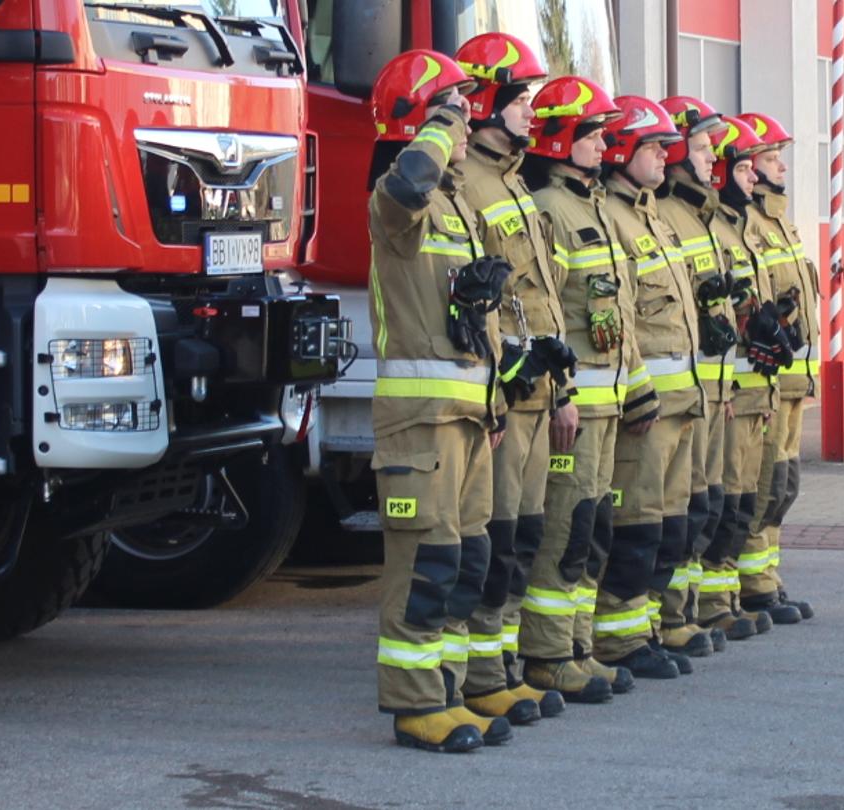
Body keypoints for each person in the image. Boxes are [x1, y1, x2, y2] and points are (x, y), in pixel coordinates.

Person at [362, 49, 502, 753]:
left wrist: (495, 406)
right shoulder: (397, 202)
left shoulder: (458, 206)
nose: (471, 123)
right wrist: (443, 123)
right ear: (425, 114)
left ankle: (446, 692)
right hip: (419, 424)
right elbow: (408, 183)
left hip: (468, 420)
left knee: (464, 562)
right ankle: (416, 706)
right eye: (457, 107)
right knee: (425, 566)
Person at [517, 74, 652, 704]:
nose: (604, 146)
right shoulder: (551, 208)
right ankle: (547, 654)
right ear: (561, 138)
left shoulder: (593, 206)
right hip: (576, 408)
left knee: (591, 528)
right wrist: (562, 393)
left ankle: (577, 645)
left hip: (608, 404)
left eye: (603, 135)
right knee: (565, 531)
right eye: (592, 135)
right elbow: (544, 314)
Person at [452, 31, 569, 728]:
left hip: (535, 393)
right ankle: (477, 675)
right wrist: (494, 397)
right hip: (501, 399)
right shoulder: (469, 183)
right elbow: (469, 306)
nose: (535, 111)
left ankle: (500, 668)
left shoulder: (517, 185)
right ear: (487, 99)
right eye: (522, 98)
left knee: (522, 537)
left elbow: (542, 295)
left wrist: (561, 388)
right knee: (488, 543)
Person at [593, 94, 707, 679]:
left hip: (681, 400)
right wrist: (637, 389)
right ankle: (619, 636)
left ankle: (649, 625)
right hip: (646, 406)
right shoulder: (611, 215)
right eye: (654, 148)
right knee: (635, 522)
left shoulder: (652, 213)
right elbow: (622, 317)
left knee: (668, 524)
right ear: (621, 151)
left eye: (667, 148)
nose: (666, 157)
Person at [653, 94, 739, 657]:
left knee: (698, 506)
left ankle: (678, 612)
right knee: (667, 509)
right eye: (706, 148)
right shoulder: (669, 217)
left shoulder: (702, 216)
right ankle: (663, 616)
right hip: (675, 392)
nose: (716, 160)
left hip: (708, 387)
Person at [700, 118, 786, 639]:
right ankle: (712, 602)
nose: (755, 175)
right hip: (725, 389)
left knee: (755, 493)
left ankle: (730, 593)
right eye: (745, 165)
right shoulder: (716, 226)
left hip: (756, 383)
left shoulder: (746, 224)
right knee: (723, 498)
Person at [734, 111, 818, 624]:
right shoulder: (751, 224)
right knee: (762, 480)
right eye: (769, 158)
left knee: (783, 484)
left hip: (792, 381)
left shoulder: (780, 221)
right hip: (763, 381)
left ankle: (769, 573)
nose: (780, 165)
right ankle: (752, 581)